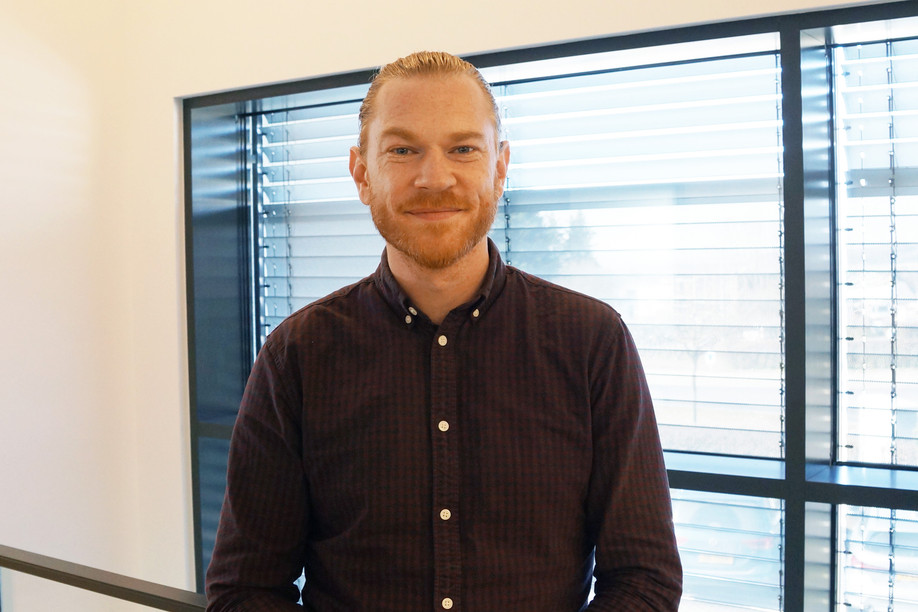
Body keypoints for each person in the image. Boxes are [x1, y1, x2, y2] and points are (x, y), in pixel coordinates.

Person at [205, 50, 682, 611]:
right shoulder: (297, 356)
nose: (435, 177)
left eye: (463, 149)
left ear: (499, 167)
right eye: (403, 150)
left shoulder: (592, 341)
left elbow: (644, 578)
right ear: (362, 172)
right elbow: (245, 591)